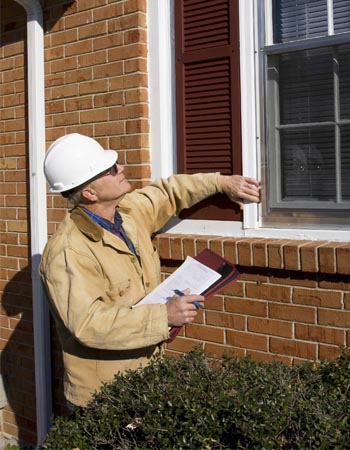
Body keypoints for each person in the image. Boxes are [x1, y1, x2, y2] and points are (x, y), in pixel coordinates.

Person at [39, 133, 260, 408]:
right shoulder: (68, 251)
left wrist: (222, 182)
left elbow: (168, 192)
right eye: (110, 169)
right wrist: (163, 315)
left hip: (144, 381)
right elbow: (88, 325)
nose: (121, 168)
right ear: (90, 193)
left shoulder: (128, 214)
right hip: (104, 399)